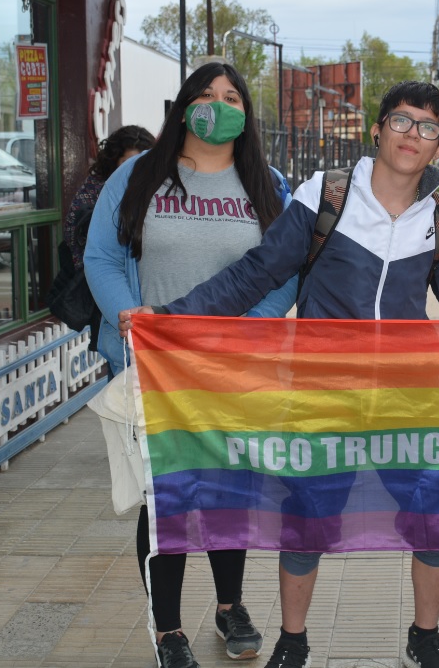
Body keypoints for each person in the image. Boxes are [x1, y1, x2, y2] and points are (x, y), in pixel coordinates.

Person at [118, 81, 439, 668]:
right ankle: (293, 642)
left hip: (409, 398)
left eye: (428, 128)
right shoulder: (326, 195)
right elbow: (256, 273)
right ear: (377, 130)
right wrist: (169, 317)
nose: (412, 136)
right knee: (307, 521)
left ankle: (424, 639)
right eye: (401, 121)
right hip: (321, 394)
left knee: (436, 517)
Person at [84, 62, 296, 668]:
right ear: (183, 105)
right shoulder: (137, 175)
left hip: (231, 367)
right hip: (153, 365)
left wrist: (243, 335)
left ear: (246, 115)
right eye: (205, 95)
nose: (217, 105)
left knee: (228, 492)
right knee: (167, 498)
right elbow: (100, 257)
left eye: (231, 97)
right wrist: (132, 321)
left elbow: (285, 272)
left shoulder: (267, 184)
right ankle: (168, 629)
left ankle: (230, 606)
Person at [60, 125, 154, 349]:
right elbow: (85, 248)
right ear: (114, 163)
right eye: (128, 163)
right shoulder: (99, 194)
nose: (135, 170)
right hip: (110, 301)